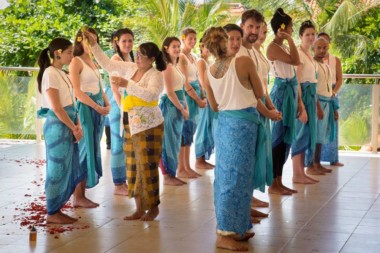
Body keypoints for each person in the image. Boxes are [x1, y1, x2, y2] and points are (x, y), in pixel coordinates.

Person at [202, 27, 279, 252]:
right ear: (224, 42)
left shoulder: (209, 69)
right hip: (242, 126)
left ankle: (237, 228)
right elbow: (259, 92)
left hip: (225, 124)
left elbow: (215, 106)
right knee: (235, 180)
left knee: (231, 178)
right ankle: (224, 233)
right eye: (230, 39)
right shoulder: (243, 62)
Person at [86, 31, 166, 221]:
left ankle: (153, 207)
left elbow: (151, 95)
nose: (137, 57)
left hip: (150, 126)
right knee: (132, 167)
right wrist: (94, 44)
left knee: (147, 167)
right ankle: (139, 208)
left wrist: (127, 84)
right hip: (130, 122)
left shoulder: (156, 75)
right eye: (137, 54)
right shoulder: (130, 68)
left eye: (142, 55)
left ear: (152, 59)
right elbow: (107, 64)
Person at [36, 38, 83, 223]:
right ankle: (52, 211)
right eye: (69, 52)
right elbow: (57, 107)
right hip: (58, 126)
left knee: (67, 166)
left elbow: (71, 102)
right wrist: (73, 127)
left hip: (69, 123)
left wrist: (77, 124)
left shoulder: (61, 73)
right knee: (57, 167)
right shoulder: (50, 73)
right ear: (58, 53)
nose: (72, 56)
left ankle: (57, 208)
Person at [237, 9, 274, 208]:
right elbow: (250, 91)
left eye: (257, 27)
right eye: (250, 26)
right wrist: (267, 111)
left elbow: (261, 85)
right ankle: (245, 206)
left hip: (258, 109)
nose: (254, 30)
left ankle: (248, 202)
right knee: (246, 160)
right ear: (242, 25)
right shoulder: (240, 53)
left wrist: (270, 105)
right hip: (246, 111)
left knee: (255, 156)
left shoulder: (252, 50)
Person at [69, 27, 110, 208]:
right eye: (88, 40)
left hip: (98, 108)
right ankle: (78, 196)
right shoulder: (76, 62)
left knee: (92, 148)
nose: (91, 44)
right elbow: (77, 91)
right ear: (80, 40)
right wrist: (96, 106)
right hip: (86, 109)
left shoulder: (93, 62)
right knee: (85, 150)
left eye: (94, 40)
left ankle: (82, 194)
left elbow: (100, 87)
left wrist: (106, 104)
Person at [266, 8, 304, 195]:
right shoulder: (273, 47)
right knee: (278, 138)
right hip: (281, 93)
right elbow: (296, 61)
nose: (292, 30)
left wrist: (299, 102)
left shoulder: (284, 47)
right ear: (282, 29)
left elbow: (294, 71)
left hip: (290, 91)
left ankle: (279, 180)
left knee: (286, 138)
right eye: (290, 27)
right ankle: (273, 182)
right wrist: (289, 39)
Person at [291, 20, 320, 182]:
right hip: (302, 96)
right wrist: (300, 106)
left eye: (312, 34)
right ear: (301, 36)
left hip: (311, 96)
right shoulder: (299, 54)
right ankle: (296, 173)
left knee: (307, 134)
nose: (310, 37)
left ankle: (302, 172)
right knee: (300, 133)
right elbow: (297, 82)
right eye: (307, 34)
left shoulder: (310, 54)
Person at [108, 28, 135, 196]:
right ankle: (118, 184)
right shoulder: (115, 59)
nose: (127, 44)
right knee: (118, 144)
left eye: (130, 40)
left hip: (130, 104)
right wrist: (122, 108)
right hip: (119, 105)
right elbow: (114, 87)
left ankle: (125, 180)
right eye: (124, 41)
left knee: (127, 144)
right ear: (116, 42)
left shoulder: (131, 57)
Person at [159, 37, 189, 186]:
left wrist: (186, 107)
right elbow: (170, 92)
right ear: (166, 48)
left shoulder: (175, 65)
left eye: (178, 46)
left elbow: (181, 89)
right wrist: (182, 108)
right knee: (168, 142)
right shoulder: (167, 67)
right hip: (171, 107)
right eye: (174, 47)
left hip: (179, 105)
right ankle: (167, 176)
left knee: (175, 141)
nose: (177, 49)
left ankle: (173, 173)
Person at [178, 28, 207, 178]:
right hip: (188, 96)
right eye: (190, 38)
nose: (193, 41)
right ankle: (181, 168)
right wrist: (197, 99)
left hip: (196, 94)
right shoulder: (181, 57)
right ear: (183, 38)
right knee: (184, 131)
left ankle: (187, 166)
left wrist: (203, 96)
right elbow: (185, 83)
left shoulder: (194, 56)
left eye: (195, 38)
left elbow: (198, 79)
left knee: (190, 132)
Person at [307, 37, 338, 173]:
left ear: (328, 48)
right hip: (318, 103)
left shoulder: (325, 65)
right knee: (314, 135)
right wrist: (318, 107)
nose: (321, 50)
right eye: (318, 48)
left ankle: (317, 163)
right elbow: (313, 89)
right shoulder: (313, 65)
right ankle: (310, 165)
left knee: (321, 135)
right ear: (313, 48)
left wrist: (334, 108)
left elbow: (329, 89)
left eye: (324, 48)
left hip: (328, 103)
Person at [318, 32, 344, 167]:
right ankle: (315, 160)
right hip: (319, 94)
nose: (322, 47)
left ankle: (333, 158)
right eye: (320, 43)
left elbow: (340, 79)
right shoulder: (313, 60)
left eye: (325, 43)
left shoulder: (335, 60)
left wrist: (333, 92)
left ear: (328, 45)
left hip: (332, 93)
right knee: (319, 125)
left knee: (332, 123)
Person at [194, 37, 216, 170]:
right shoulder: (201, 61)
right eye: (206, 46)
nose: (208, 49)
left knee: (208, 126)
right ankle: (199, 158)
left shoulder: (209, 61)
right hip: (206, 95)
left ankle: (202, 158)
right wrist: (207, 95)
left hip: (211, 94)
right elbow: (202, 81)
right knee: (203, 126)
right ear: (201, 46)